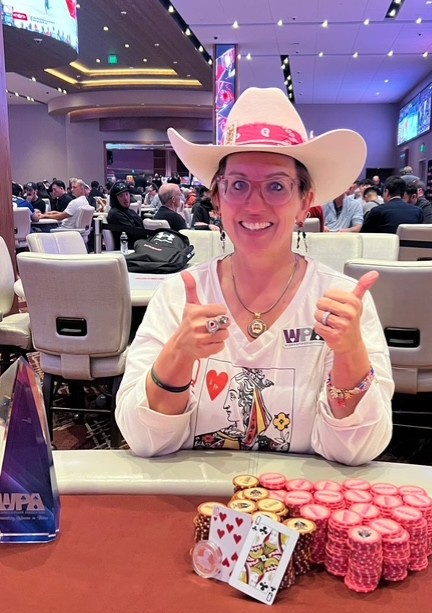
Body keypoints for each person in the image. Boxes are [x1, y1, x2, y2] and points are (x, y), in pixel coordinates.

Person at [115, 86, 394, 464]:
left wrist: (349, 353)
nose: (254, 204)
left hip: (298, 497)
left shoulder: (341, 303)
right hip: (197, 494)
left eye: (277, 186)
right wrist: (180, 353)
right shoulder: (178, 295)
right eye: (238, 185)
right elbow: (144, 439)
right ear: (217, 199)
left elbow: (355, 451)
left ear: (305, 202)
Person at [106, 181, 145, 249]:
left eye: (127, 194)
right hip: (130, 249)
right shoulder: (115, 214)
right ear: (115, 199)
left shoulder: (130, 211)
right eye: (121, 196)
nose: (126, 198)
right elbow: (133, 233)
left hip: (140, 245)